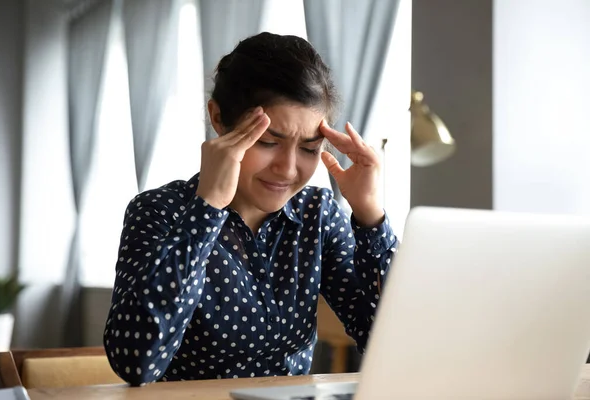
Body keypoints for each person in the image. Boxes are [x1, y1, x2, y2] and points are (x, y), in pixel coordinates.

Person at [103, 32, 398, 386]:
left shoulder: (316, 214)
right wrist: (206, 209)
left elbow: (389, 343)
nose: (288, 169)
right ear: (218, 118)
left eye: (309, 149)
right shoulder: (158, 211)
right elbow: (136, 363)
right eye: (268, 142)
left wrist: (369, 214)